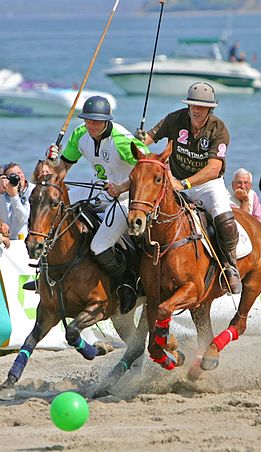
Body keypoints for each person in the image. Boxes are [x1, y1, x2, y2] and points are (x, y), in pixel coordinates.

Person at [134, 81, 242, 294]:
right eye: (193, 105)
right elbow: (147, 140)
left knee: (226, 221)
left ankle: (230, 267)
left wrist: (184, 183)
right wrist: (138, 139)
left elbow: (213, 168)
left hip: (207, 185)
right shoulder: (174, 119)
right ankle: (138, 273)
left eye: (201, 107)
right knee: (140, 216)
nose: (196, 110)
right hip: (175, 184)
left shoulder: (218, 129)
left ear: (210, 108)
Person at [46, 95, 150, 314]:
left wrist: (122, 187)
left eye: (96, 121)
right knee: (53, 209)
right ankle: (48, 273)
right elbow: (62, 170)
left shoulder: (122, 139)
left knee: (99, 246)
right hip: (98, 190)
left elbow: (151, 169)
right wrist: (52, 161)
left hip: (126, 198)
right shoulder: (80, 134)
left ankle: (127, 284)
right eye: (88, 120)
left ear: (106, 121)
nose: (91, 125)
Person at [0, 162, 35, 239]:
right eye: (13, 175)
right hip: (12, 241)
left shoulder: (33, 190)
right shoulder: (5, 194)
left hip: (30, 239)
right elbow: (3, 218)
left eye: (19, 173)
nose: (18, 176)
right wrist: (1, 193)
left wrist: (14, 196)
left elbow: (23, 218)